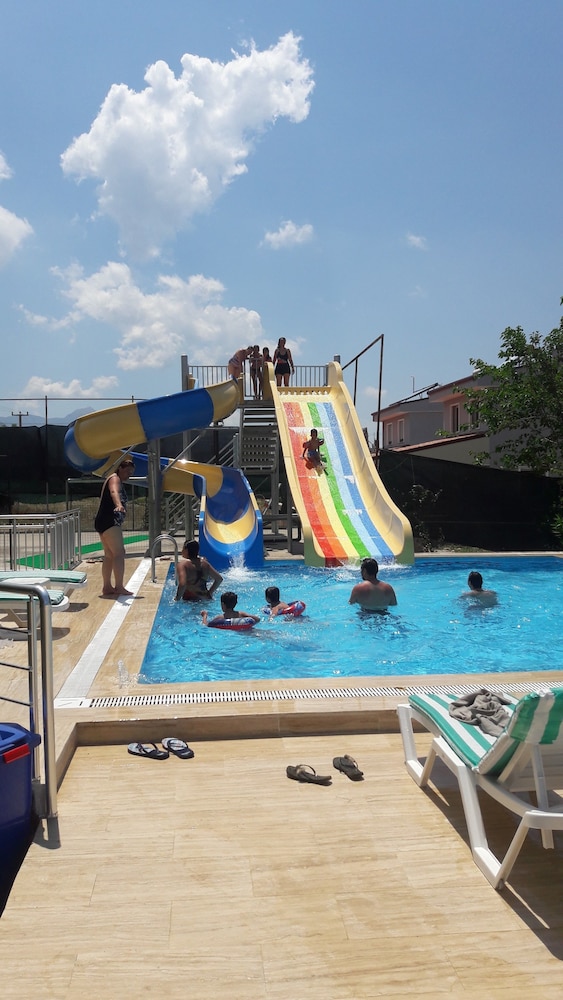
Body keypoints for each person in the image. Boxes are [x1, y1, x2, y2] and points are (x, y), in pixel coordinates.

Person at [94, 458, 136, 597]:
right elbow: (114, 492)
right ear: (120, 468)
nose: (129, 475)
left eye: (131, 473)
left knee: (109, 554)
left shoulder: (113, 478)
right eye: (128, 472)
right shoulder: (115, 479)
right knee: (119, 553)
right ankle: (119, 586)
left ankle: (107, 587)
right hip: (109, 521)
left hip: (103, 521)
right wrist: (118, 505)